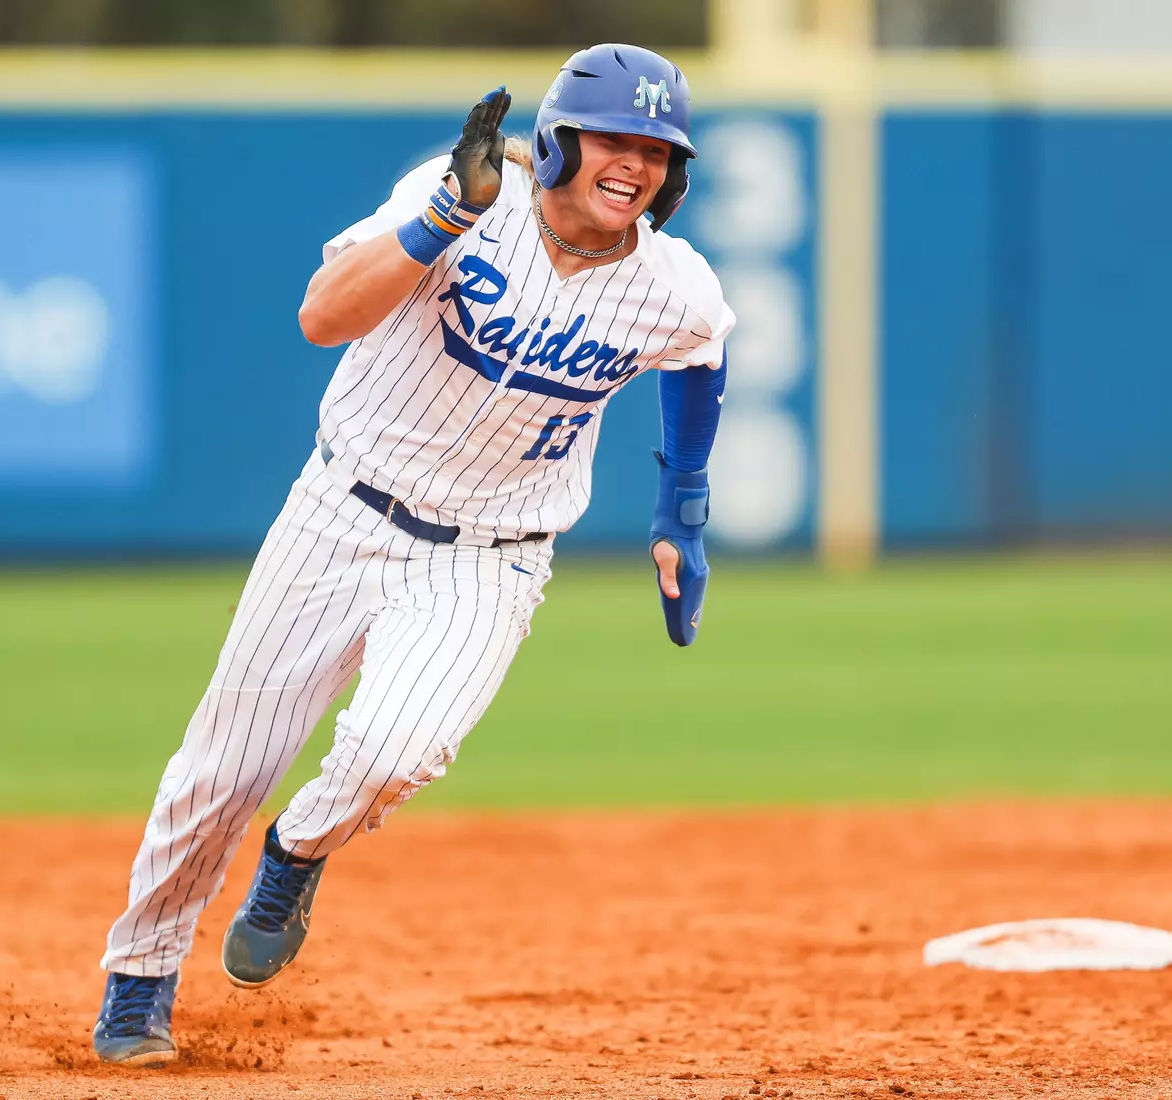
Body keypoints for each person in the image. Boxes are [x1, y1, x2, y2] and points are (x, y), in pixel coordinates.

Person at [90, 42, 734, 1065]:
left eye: (657, 149)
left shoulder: (672, 283)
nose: (635, 164)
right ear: (560, 140)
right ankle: (139, 981)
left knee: (399, 750)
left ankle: (297, 849)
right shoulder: (460, 198)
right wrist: (442, 218)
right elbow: (321, 315)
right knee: (223, 770)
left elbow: (701, 356)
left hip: (493, 555)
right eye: (614, 137)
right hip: (341, 515)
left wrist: (681, 510)